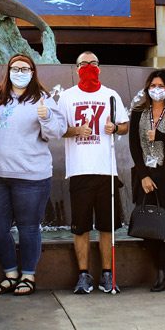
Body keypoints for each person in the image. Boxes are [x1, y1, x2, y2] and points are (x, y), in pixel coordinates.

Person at [0, 54, 66, 296]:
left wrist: (45, 117)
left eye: (25, 68)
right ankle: (10, 272)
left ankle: (28, 275)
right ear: (8, 70)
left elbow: (58, 131)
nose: (20, 72)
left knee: (28, 227)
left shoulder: (42, 98)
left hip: (32, 177)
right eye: (16, 68)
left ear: (33, 72)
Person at [58, 51, 130, 295]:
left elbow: (125, 125)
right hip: (79, 170)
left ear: (100, 67)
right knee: (81, 227)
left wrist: (115, 128)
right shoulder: (67, 97)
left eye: (93, 63)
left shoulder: (110, 95)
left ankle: (107, 275)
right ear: (76, 68)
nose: (89, 67)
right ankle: (83, 275)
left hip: (105, 170)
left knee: (107, 226)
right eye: (83, 64)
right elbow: (58, 129)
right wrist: (75, 130)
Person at [129, 70, 165, 292]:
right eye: (153, 85)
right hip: (145, 175)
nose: (156, 89)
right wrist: (143, 175)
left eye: (161, 85)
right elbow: (134, 147)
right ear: (147, 88)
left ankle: (162, 272)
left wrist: (159, 135)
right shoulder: (138, 114)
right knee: (145, 226)